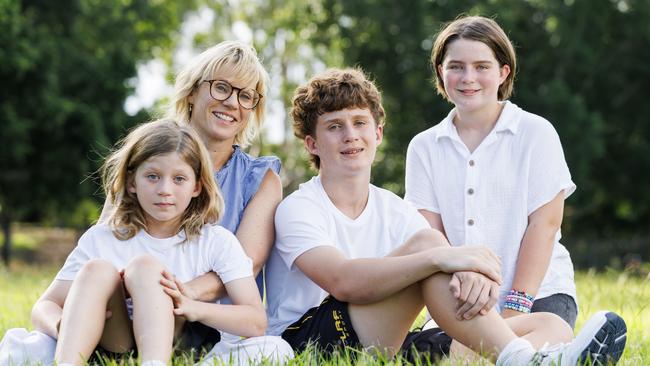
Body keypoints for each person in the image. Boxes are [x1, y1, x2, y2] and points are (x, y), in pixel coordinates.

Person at [264, 67, 627, 365]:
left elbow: (440, 260)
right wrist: (443, 257)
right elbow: (344, 282)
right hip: (309, 341)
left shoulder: (394, 208)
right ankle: (522, 361)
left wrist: (467, 271)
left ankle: (526, 358)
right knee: (429, 250)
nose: (350, 136)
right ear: (312, 144)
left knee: (550, 324)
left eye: (360, 123)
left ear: (377, 133)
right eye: (334, 126)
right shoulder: (298, 208)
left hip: (390, 338)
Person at [404, 15, 581, 357]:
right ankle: (536, 358)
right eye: (456, 66)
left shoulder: (535, 132)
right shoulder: (423, 147)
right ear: (441, 71)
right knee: (472, 344)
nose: (468, 78)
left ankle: (500, 353)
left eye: (481, 66)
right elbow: (430, 238)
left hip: (539, 294)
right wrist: (465, 287)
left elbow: (544, 226)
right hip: (460, 297)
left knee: (547, 329)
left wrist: (514, 306)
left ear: (503, 73)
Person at [29, 119, 266, 366]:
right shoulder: (102, 238)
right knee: (96, 270)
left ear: (197, 186)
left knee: (145, 268)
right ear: (132, 182)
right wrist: (63, 325)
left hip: (178, 340)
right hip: (114, 342)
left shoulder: (216, 241)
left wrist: (192, 306)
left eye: (179, 179)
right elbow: (44, 306)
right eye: (153, 176)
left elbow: (256, 321)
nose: (165, 189)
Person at [162, 40, 284, 352]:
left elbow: (247, 264)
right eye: (221, 88)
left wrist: (178, 294)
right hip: (139, 307)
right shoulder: (145, 161)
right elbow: (111, 234)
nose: (233, 103)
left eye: (246, 96)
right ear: (192, 92)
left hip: (221, 331)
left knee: (274, 353)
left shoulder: (261, 179)